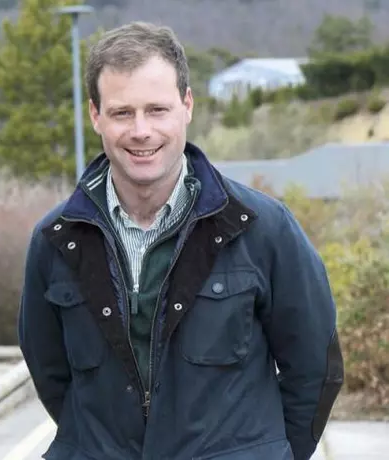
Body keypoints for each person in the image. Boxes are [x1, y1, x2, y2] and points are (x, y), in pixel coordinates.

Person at [18, 21, 344, 460]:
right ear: (95, 115)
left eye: (157, 109)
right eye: (121, 113)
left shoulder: (263, 228)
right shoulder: (55, 240)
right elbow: (51, 374)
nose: (141, 130)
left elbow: (316, 368)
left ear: (187, 106)